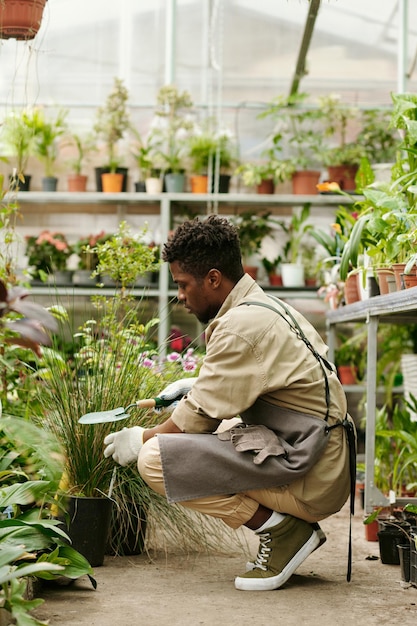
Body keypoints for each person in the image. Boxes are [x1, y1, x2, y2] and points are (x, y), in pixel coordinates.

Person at [104, 214, 355, 592]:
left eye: (183, 284)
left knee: (156, 459)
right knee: (197, 441)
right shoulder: (264, 306)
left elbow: (194, 424)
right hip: (318, 455)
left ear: (214, 279)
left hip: (312, 476)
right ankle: (285, 528)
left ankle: (284, 531)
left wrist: (141, 437)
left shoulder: (241, 326)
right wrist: (197, 386)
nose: (180, 296)